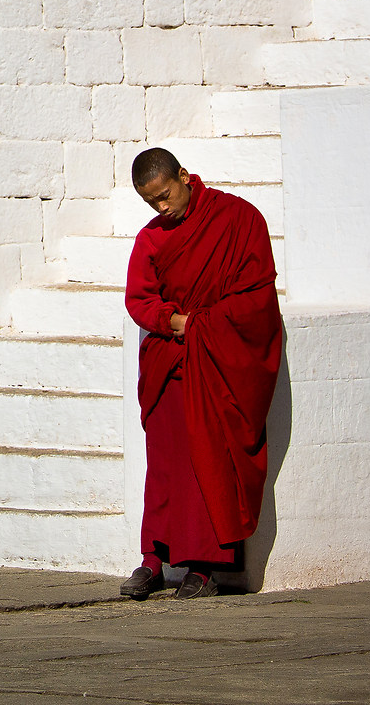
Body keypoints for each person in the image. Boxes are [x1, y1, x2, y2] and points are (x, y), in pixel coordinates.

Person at [118, 146, 283, 600]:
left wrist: (205, 326)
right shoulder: (151, 239)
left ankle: (205, 566)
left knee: (205, 462)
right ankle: (153, 560)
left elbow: (256, 295)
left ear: (185, 176)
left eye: (166, 195)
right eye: (152, 203)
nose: (162, 208)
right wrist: (177, 323)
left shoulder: (239, 219)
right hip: (171, 362)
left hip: (215, 363)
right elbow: (140, 300)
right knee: (167, 469)